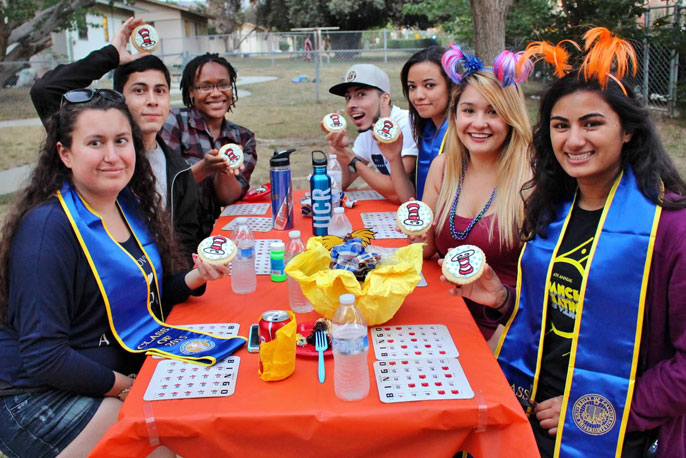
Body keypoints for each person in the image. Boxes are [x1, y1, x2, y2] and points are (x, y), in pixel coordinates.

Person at [446, 29, 686, 457]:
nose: (573, 141)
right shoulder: (553, 208)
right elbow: (567, 309)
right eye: (561, 126)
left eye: (591, 123)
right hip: (531, 408)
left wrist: (609, 409)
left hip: (621, 430)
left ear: (628, 130)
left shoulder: (671, 227)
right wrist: (504, 300)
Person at [0, 90, 231, 457]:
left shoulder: (126, 205)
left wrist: (194, 278)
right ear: (65, 153)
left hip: (108, 372)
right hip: (39, 398)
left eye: (121, 141)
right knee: (169, 441)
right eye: (95, 142)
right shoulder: (47, 230)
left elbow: (137, 298)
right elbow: (44, 355)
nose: (112, 156)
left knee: (214, 407)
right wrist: (129, 387)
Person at [30, 17, 201, 265]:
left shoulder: (179, 171)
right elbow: (45, 91)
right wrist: (110, 56)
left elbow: (184, 244)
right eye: (139, 90)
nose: (152, 100)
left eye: (160, 91)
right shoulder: (92, 151)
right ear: (119, 99)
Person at [420, 45, 532, 343]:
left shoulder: (533, 178)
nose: (479, 123)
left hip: (508, 329)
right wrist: (414, 230)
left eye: (493, 112)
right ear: (455, 115)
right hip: (448, 315)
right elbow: (426, 249)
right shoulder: (443, 168)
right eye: (469, 110)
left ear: (511, 118)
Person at [160, 53, 257, 239]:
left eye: (223, 84)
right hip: (172, 234)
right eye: (205, 86)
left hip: (214, 234)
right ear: (191, 92)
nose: (216, 93)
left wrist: (223, 169)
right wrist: (204, 168)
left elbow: (227, 198)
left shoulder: (243, 138)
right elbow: (166, 185)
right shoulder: (173, 123)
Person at [326, 64, 418, 204]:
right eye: (348, 97)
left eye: (361, 95)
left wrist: (353, 160)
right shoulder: (367, 132)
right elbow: (340, 184)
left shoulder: (405, 124)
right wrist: (338, 150)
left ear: (384, 99)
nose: (351, 105)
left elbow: (398, 194)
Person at [400, 45, 453, 200]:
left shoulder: (465, 136)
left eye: (429, 85)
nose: (418, 96)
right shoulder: (427, 128)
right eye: (412, 87)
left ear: (451, 86)